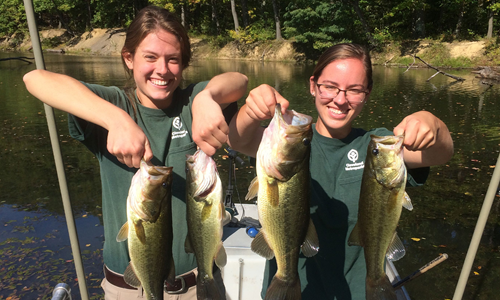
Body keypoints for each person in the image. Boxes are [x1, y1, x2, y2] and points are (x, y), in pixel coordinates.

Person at [23, 6, 248, 300]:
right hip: (127, 289)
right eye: (150, 57)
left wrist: (208, 96)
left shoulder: (191, 102)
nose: (162, 70)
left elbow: (240, 80)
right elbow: (35, 79)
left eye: (173, 60)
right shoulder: (114, 104)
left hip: (197, 285)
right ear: (129, 59)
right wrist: (114, 119)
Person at [228, 43, 453, 299]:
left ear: (367, 94)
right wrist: (250, 110)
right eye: (330, 86)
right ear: (313, 86)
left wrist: (432, 123)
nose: (340, 99)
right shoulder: (289, 145)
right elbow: (238, 140)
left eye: (354, 90)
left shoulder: (378, 147)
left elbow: (441, 154)